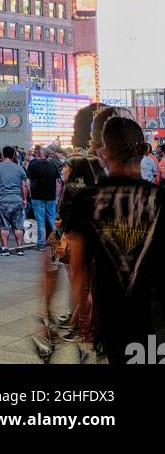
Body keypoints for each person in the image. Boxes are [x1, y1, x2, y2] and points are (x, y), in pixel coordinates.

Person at [65, 115, 165, 365]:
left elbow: (78, 271)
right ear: (143, 151)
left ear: (103, 151)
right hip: (158, 316)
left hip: (112, 315)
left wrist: (83, 311)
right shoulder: (160, 198)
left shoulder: (86, 201)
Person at [0, 145, 29, 255]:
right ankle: (19, 248)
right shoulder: (20, 168)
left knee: (4, 225)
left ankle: (4, 248)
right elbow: (24, 186)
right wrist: (25, 199)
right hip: (17, 200)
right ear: (13, 155)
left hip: (2, 200)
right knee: (18, 226)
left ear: (3, 155)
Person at [26, 145, 61, 251]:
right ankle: (57, 242)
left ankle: (41, 244)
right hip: (51, 196)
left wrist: (29, 192)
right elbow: (58, 183)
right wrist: (57, 196)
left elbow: (28, 181)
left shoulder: (33, 165)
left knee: (40, 220)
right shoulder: (53, 165)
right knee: (51, 219)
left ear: (39, 154)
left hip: (37, 196)